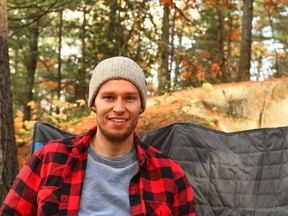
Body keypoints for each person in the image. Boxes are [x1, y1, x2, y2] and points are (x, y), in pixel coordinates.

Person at [0, 56, 196, 215]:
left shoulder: (168, 172)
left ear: (141, 106)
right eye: (109, 97)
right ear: (94, 103)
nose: (119, 108)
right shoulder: (49, 158)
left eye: (129, 98)